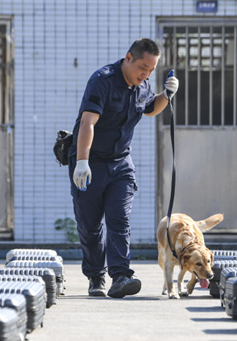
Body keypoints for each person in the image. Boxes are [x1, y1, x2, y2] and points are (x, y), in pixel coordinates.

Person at [68, 38, 179, 298]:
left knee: (119, 218)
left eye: (152, 70)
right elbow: (88, 123)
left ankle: (120, 275)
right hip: (91, 162)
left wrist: (167, 95)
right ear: (128, 58)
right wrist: (82, 162)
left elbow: (150, 109)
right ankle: (96, 277)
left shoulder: (143, 85)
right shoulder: (102, 80)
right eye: (143, 67)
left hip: (121, 163)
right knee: (90, 224)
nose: (146, 74)